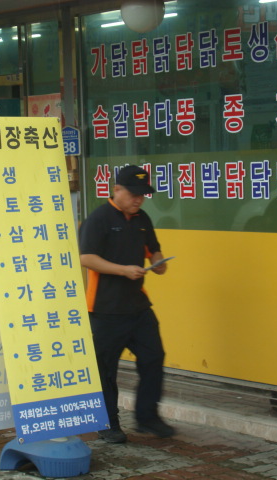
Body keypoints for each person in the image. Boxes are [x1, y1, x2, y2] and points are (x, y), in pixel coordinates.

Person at [78, 164, 175, 443]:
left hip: (138, 306)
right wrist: (123, 270)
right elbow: (86, 258)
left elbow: (153, 249)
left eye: (142, 195)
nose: (139, 200)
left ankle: (148, 417)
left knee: (153, 357)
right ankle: (108, 424)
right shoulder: (98, 218)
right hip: (105, 309)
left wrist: (158, 263)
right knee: (105, 369)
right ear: (117, 189)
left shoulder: (142, 218)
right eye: (134, 194)